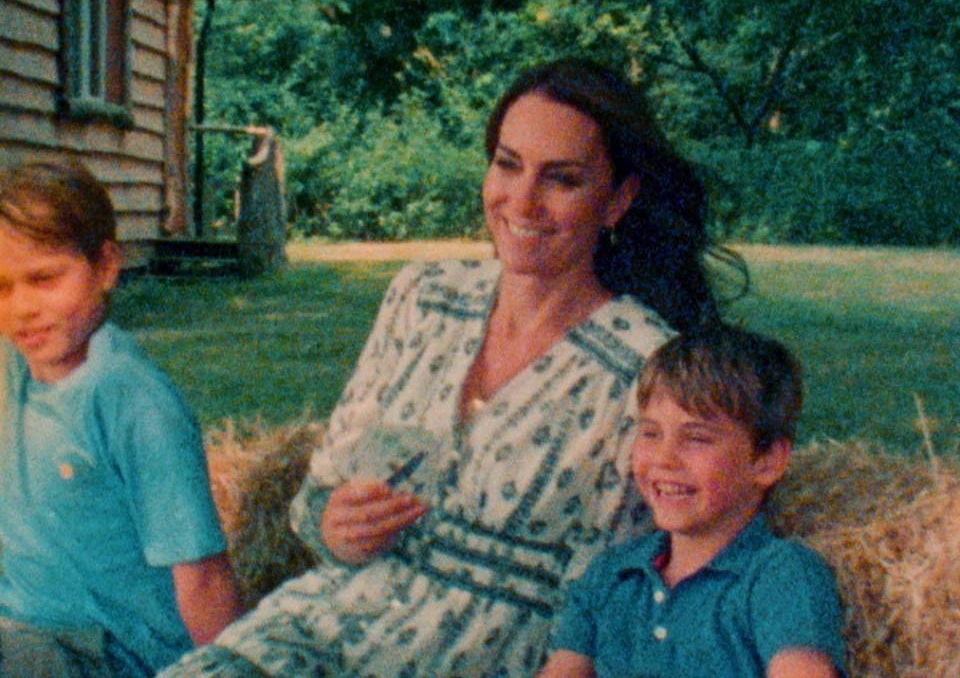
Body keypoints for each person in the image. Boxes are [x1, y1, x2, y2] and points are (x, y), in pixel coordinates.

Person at [161, 57, 747, 676]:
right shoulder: (423, 296)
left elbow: (624, 593)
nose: (522, 201)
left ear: (617, 199)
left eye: (562, 179)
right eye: (507, 164)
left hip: (481, 658)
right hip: (317, 630)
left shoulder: (647, 369)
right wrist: (333, 525)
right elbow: (315, 499)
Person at [0, 161, 243, 675]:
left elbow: (202, 577)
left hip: (108, 656)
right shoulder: (13, 367)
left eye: (44, 279)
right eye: (1, 287)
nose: (21, 308)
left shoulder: (134, 404)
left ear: (107, 266)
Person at [538, 325, 847, 677]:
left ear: (766, 461)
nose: (664, 459)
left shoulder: (777, 575)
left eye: (696, 438)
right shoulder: (612, 575)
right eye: (651, 433)